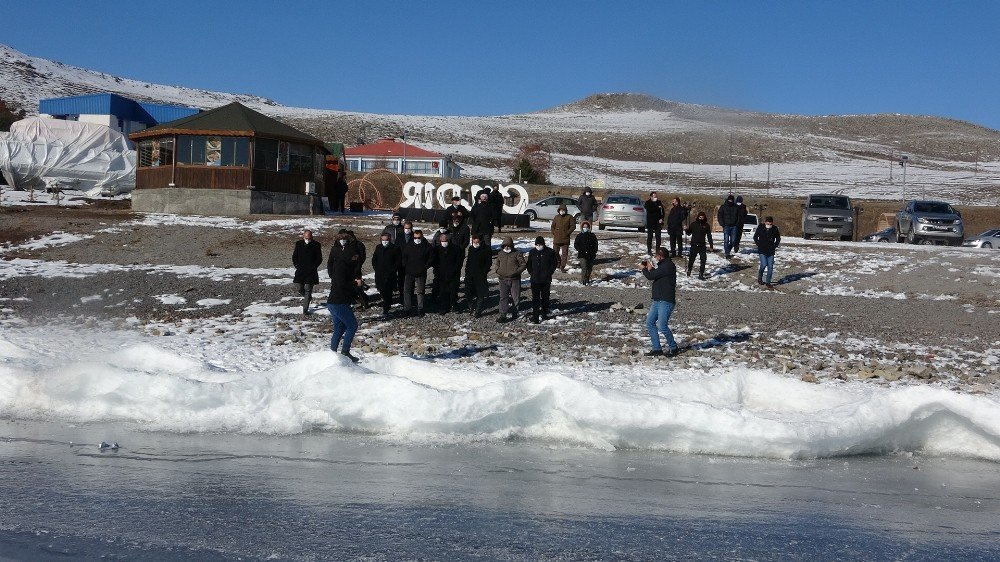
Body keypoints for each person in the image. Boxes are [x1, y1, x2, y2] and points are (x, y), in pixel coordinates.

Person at [327, 235, 362, 362]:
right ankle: (345, 352)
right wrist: (354, 284)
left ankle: (332, 354)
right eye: (354, 257)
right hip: (338, 301)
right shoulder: (341, 265)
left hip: (336, 301)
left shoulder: (346, 265)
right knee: (352, 325)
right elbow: (341, 283)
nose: (355, 259)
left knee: (340, 328)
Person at [640, 247, 679, 357]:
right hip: (657, 300)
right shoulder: (664, 266)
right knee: (650, 322)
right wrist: (651, 268)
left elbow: (651, 276)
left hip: (665, 301)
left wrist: (644, 269)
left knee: (662, 325)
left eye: (657, 256)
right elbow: (656, 274)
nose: (656, 258)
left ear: (661, 256)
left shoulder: (668, 266)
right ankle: (657, 348)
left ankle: (673, 347)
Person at [401, 229, 434, 316]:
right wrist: (405, 265)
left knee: (420, 292)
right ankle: (407, 309)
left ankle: (421, 309)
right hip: (409, 272)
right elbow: (404, 256)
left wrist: (425, 267)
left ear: (422, 236)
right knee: (407, 291)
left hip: (421, 273)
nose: (417, 239)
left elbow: (431, 258)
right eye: (415, 237)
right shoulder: (409, 245)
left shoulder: (427, 246)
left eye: (419, 237)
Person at [494, 236, 527, 323]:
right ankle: (503, 315)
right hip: (502, 279)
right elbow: (497, 263)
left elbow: (523, 264)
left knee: (515, 297)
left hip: (514, 279)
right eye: (505, 246)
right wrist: (497, 270)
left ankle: (514, 313)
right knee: (503, 297)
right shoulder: (500, 253)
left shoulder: (517, 253)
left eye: (508, 245)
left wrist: (517, 272)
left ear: (512, 246)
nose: (507, 247)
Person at [526, 236, 558, 324]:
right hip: (535, 280)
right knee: (535, 298)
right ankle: (535, 316)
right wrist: (531, 273)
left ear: (543, 244)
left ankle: (544, 313)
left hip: (546, 280)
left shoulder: (550, 252)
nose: (538, 246)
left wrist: (549, 273)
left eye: (540, 244)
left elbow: (554, 264)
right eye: (537, 244)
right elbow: (529, 264)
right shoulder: (532, 252)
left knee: (545, 297)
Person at [291, 229, 322, 315]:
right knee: (299, 288)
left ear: (312, 237)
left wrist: (314, 266)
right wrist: (296, 264)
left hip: (311, 271)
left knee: (308, 289)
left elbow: (319, 258)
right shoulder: (299, 244)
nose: (308, 239)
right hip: (300, 270)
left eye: (309, 237)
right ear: (303, 236)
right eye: (306, 237)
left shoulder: (316, 245)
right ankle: (307, 297)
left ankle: (305, 309)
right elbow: (294, 256)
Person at [372, 232, 402, 320]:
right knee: (381, 290)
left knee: (388, 293)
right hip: (379, 274)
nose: (385, 242)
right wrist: (376, 269)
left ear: (390, 239)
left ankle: (386, 309)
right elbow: (374, 259)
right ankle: (386, 305)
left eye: (386, 240)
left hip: (390, 275)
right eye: (383, 240)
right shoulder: (378, 247)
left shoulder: (395, 248)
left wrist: (392, 269)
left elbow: (398, 261)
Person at [433, 232, 464, 313]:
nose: (444, 242)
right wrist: (437, 271)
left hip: (454, 274)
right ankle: (445, 306)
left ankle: (454, 305)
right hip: (441, 274)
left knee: (453, 290)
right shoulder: (437, 249)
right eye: (442, 241)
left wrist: (454, 270)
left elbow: (459, 261)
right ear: (440, 241)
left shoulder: (456, 249)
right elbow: (435, 262)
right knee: (443, 291)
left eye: (445, 240)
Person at [464, 234, 492, 317]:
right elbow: (468, 261)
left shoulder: (486, 249)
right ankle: (471, 306)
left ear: (481, 241)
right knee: (468, 292)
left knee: (480, 294)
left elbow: (488, 262)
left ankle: (478, 311)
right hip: (470, 274)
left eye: (477, 242)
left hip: (480, 275)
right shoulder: (471, 248)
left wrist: (484, 272)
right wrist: (467, 271)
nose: (475, 243)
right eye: (474, 242)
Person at [753, 216, 781, 289]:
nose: (769, 224)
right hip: (762, 249)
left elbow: (778, 238)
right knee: (764, 264)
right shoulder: (760, 227)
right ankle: (760, 277)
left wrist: (775, 245)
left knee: (770, 267)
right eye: (768, 223)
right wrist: (759, 244)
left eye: (770, 223)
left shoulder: (775, 228)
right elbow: (755, 237)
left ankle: (768, 282)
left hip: (771, 250)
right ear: (765, 222)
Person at [686, 211, 715, 280]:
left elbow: (709, 236)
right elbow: (688, 233)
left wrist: (711, 245)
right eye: (700, 217)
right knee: (691, 259)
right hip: (694, 245)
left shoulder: (706, 225)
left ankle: (701, 274)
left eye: (702, 217)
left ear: (704, 218)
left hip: (702, 245)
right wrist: (686, 229)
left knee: (703, 260)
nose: (701, 218)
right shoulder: (693, 224)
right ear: (698, 217)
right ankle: (689, 269)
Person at [550, 203, 577, 272]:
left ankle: (562, 266)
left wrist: (567, 233)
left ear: (566, 210)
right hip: (557, 238)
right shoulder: (556, 217)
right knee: (555, 252)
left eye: (563, 210)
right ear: (558, 210)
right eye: (561, 210)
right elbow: (552, 226)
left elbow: (573, 226)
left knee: (564, 253)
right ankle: (558, 262)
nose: (562, 211)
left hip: (565, 238)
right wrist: (554, 232)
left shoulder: (569, 217)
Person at [716, 194, 740, 259]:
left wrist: (737, 223)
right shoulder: (723, 207)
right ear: (727, 200)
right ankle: (727, 254)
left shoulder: (736, 207)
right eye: (729, 199)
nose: (730, 201)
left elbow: (739, 216)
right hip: (726, 226)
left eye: (731, 200)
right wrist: (722, 224)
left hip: (734, 226)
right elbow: (719, 215)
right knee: (726, 240)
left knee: (733, 241)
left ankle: (728, 250)